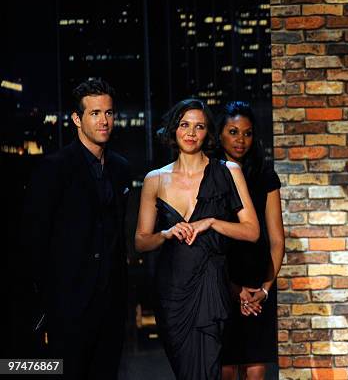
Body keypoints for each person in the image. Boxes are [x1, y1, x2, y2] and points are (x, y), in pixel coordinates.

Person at [134, 99, 259, 380]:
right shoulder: (155, 179)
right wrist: (166, 233)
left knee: (209, 370)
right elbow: (141, 242)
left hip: (210, 287)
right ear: (174, 130)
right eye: (184, 125)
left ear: (208, 133)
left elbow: (252, 231)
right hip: (172, 292)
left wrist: (211, 222)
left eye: (199, 126)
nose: (191, 133)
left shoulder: (229, 172)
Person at [22, 79, 131, 379]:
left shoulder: (121, 168)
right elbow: (35, 241)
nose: (104, 120)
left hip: (110, 306)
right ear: (76, 119)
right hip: (68, 307)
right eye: (95, 113)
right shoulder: (53, 168)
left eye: (108, 113)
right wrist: (45, 307)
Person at [216, 102, 285, 380]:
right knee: (226, 367)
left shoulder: (265, 175)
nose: (240, 140)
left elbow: (277, 239)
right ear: (220, 133)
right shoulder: (210, 174)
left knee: (257, 365)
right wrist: (233, 289)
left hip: (258, 282)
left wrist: (265, 290)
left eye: (247, 133)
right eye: (233, 132)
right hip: (221, 280)